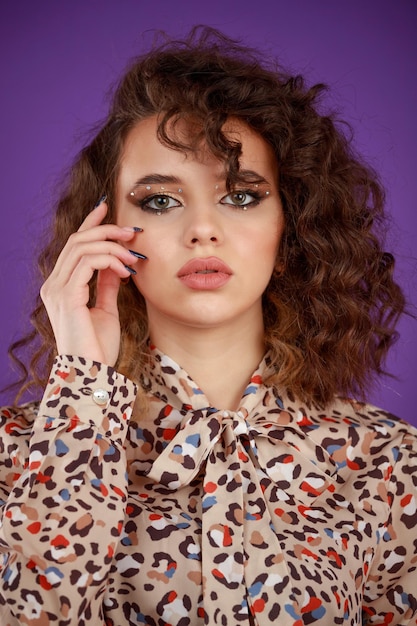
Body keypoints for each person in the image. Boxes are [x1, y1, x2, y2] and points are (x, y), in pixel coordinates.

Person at [0, 25, 416, 626]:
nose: (202, 229)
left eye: (242, 196)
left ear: (291, 225)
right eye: (160, 201)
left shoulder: (389, 464)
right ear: (104, 229)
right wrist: (84, 395)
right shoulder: (17, 454)